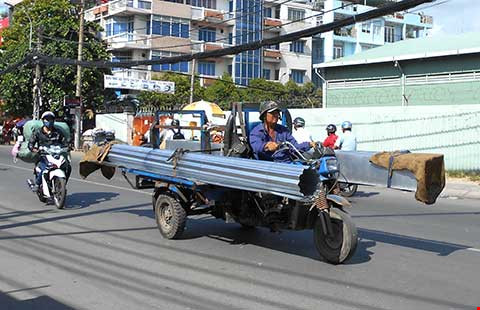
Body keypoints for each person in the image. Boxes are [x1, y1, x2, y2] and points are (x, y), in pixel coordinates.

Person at [250, 101, 315, 162]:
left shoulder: (284, 131)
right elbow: (257, 147)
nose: (276, 115)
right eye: (272, 113)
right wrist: (266, 146)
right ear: (264, 115)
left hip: (287, 163)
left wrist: (310, 144)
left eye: (277, 112)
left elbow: (295, 147)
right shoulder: (256, 132)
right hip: (268, 166)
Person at [28, 111, 67, 188]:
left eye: (51, 119)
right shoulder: (38, 132)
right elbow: (31, 143)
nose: (49, 121)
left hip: (56, 154)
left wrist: (68, 146)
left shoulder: (58, 132)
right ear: (43, 120)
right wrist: (34, 149)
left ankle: (62, 184)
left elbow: (64, 141)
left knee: (68, 167)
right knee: (44, 170)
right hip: (43, 155)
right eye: (47, 119)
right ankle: (37, 185)